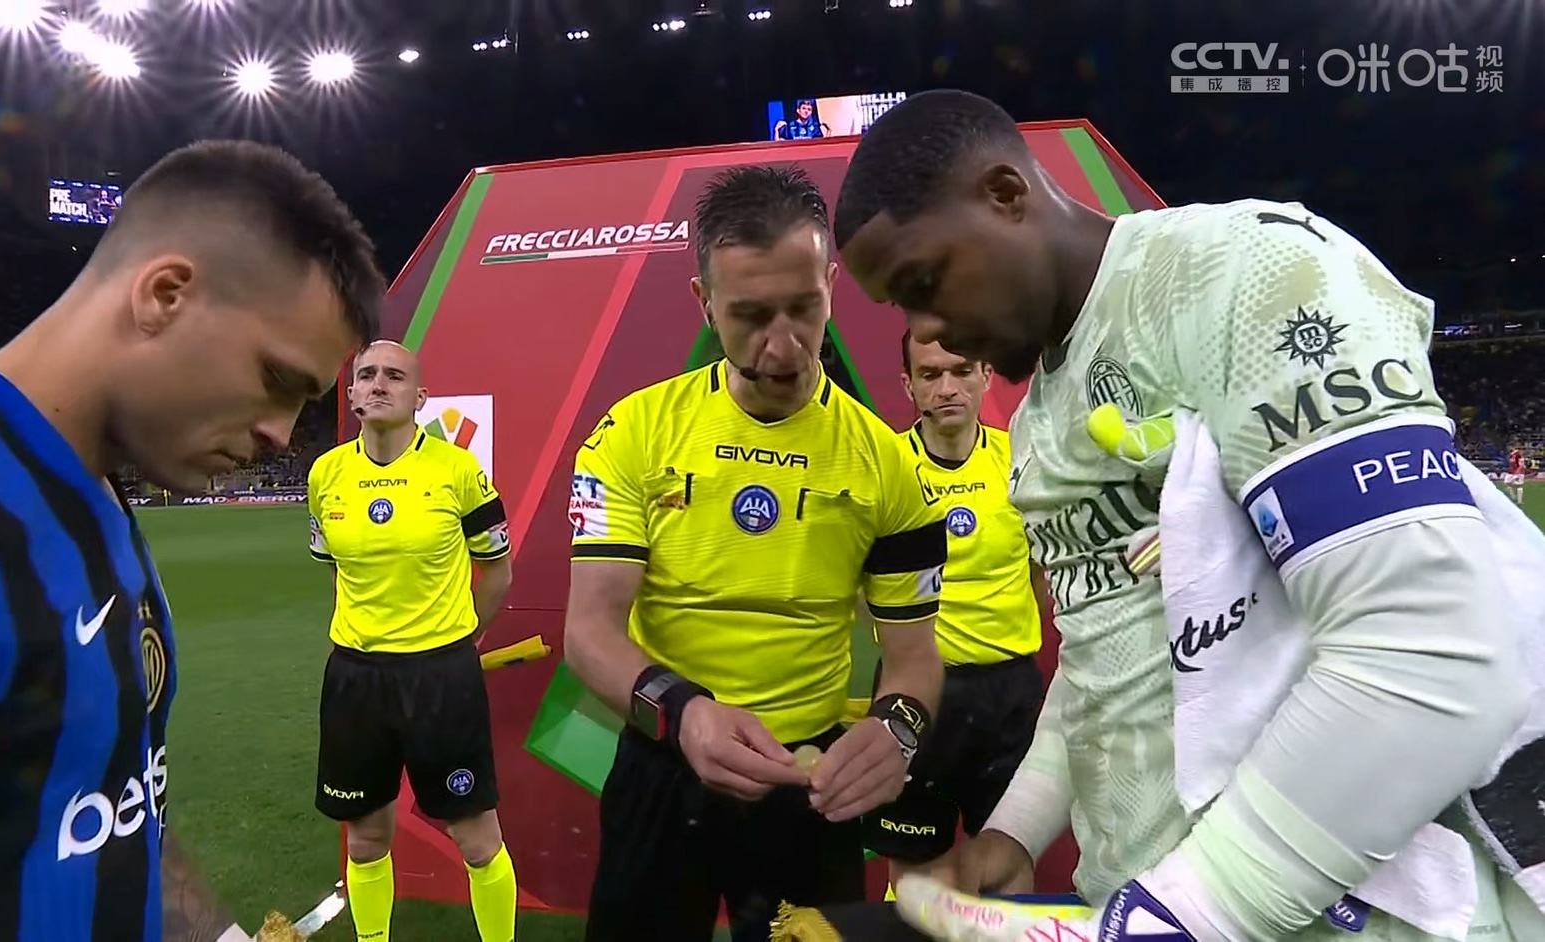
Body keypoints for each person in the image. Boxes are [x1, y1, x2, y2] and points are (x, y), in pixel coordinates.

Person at [833, 89, 1543, 941]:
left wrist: (1190, 911)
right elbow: (1105, 658)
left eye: (925, 283)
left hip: (1336, 915)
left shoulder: (1247, 273)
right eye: (903, 310)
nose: (933, 331)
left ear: (1005, 194)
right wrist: (1015, 831)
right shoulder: (1034, 422)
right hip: (1146, 901)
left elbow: (1431, 648)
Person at [0, 139, 384, 942]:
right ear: (165, 295)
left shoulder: (95, 494)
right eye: (275, 380)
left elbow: (114, 802)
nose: (282, 435)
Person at [562, 164, 947, 942]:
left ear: (831, 285)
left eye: (803, 308)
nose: (783, 345)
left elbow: (914, 658)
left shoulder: (889, 464)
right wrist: (684, 714)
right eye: (749, 315)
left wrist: (897, 729)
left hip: (810, 787)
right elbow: (589, 630)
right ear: (704, 302)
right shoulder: (631, 433)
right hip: (664, 761)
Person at [307, 339, 517, 942]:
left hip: (441, 677)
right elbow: (335, 570)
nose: (379, 384)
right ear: (351, 394)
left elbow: (497, 572)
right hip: (356, 679)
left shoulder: (458, 471)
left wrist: (459, 642)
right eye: (367, 374)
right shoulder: (326, 474)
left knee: (477, 840)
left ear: (420, 397)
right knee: (366, 837)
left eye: (394, 376)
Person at [866, 331, 1048, 900]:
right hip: (917, 697)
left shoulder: (1021, 460)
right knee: (917, 869)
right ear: (908, 385)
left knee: (1011, 858)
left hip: (1008, 696)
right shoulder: (885, 467)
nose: (947, 387)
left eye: (961, 370)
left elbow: (1041, 572)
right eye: (930, 374)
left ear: (986, 375)